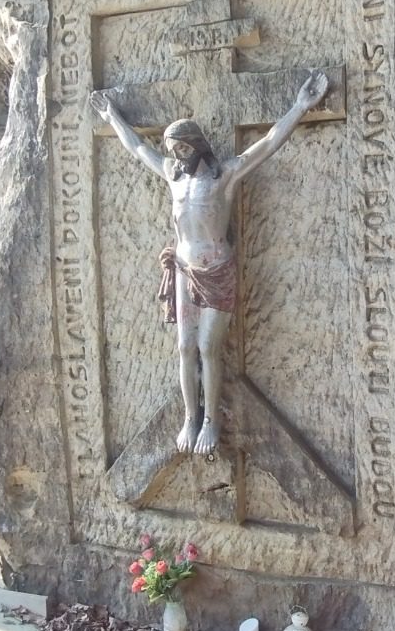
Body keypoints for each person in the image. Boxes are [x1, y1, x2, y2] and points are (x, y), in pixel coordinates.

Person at [90, 70, 329, 456]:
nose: (177, 156)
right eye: (173, 150)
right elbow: (137, 149)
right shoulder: (173, 176)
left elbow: (268, 143)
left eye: (182, 149)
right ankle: (191, 417)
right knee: (185, 347)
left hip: (217, 271)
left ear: (197, 146)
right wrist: (112, 117)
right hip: (184, 269)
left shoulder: (224, 176)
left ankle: (211, 420)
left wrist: (300, 107)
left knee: (207, 346)